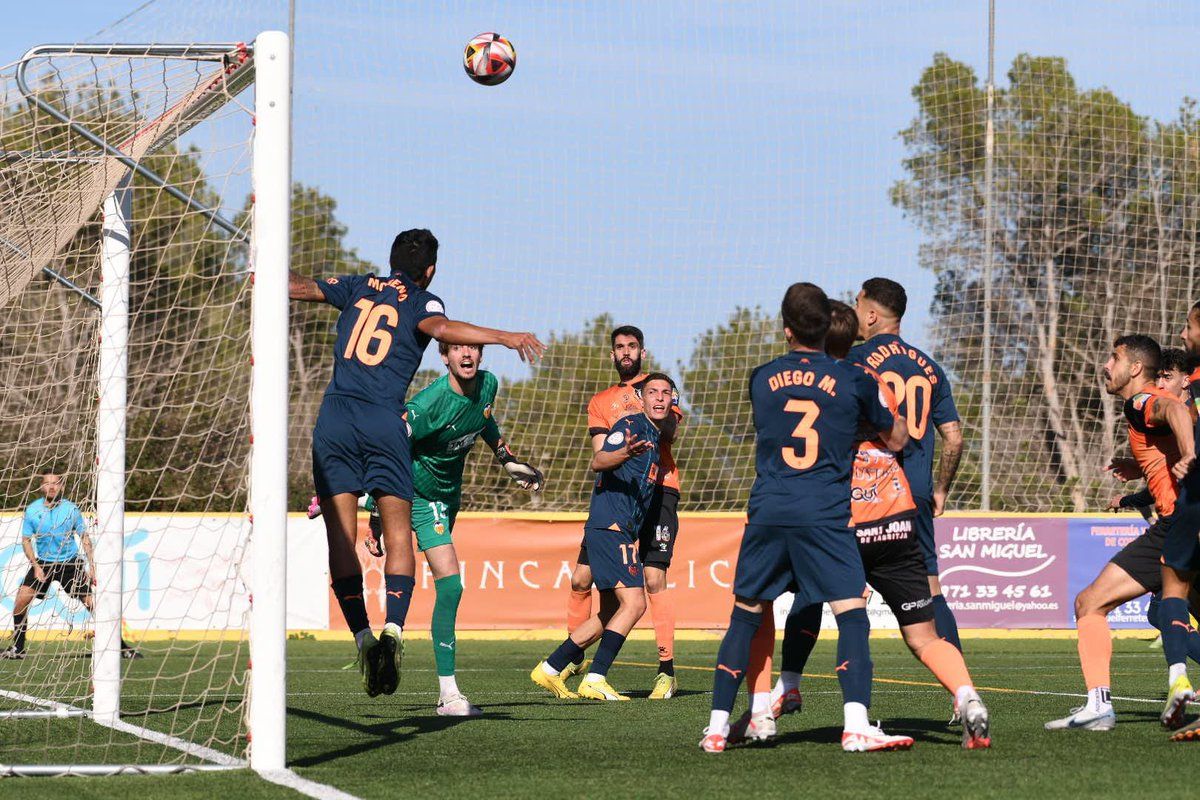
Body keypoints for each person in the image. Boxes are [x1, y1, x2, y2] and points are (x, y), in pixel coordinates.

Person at [288, 228, 544, 697]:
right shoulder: (424, 301)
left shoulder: (358, 285)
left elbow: (296, 286)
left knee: (341, 540)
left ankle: (363, 638)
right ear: (430, 270)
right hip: (384, 422)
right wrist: (504, 337)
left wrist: (257, 262)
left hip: (335, 421)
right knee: (398, 533)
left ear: (390, 261)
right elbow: (442, 330)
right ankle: (394, 632)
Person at [730, 302, 990, 750]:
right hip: (897, 510)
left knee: (801, 599)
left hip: (840, 517)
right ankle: (967, 696)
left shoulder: (823, 380)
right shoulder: (874, 379)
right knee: (923, 632)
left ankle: (796, 696)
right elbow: (904, 436)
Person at [700, 283, 911, 754]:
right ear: (830, 327)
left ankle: (716, 728)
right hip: (824, 513)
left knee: (745, 617)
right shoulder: (854, 380)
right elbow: (896, 438)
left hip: (769, 509)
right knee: (851, 614)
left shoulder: (760, 378)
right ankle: (856, 725)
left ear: (787, 329)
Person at [1045, 336, 1195, 731]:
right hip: (1189, 522)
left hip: (1175, 525)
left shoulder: (1141, 400)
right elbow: (1172, 433)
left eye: (1114, 358)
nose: (1106, 365)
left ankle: (1099, 706)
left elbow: (1174, 411)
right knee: (1168, 612)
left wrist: (1189, 453)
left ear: (1135, 368)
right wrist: (1139, 469)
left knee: (1089, 604)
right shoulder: (1151, 407)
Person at [531, 374, 678, 701]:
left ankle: (551, 668)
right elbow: (599, 460)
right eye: (652, 392)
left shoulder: (654, 438)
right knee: (635, 603)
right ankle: (595, 677)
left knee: (611, 611)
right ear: (641, 399)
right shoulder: (631, 426)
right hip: (611, 526)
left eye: (666, 393)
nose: (659, 397)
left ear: (672, 401)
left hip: (618, 528)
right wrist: (623, 452)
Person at [564, 325, 684, 699]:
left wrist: (651, 406)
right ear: (612, 354)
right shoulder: (600, 401)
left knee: (653, 578)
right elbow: (602, 454)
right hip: (617, 498)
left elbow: (670, 432)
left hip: (659, 490)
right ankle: (574, 659)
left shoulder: (658, 389)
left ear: (642, 353)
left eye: (632, 346)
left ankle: (666, 671)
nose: (626, 352)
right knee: (581, 579)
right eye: (620, 347)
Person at [850, 278, 965, 657]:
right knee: (931, 588)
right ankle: (961, 684)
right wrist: (940, 490)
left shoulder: (855, 360)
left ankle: (848, 691)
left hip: (868, 491)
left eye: (857, 304)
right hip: (915, 493)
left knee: (849, 591)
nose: (853, 312)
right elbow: (954, 438)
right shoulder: (930, 367)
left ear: (871, 314)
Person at [1, 470, 139, 660]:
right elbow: (26, 540)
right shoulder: (32, 510)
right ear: (41, 487)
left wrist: (92, 567)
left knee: (92, 604)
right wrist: (35, 565)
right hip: (44, 563)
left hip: (70, 563)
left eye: (56, 483)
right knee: (21, 600)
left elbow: (84, 538)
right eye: (47, 483)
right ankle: (18, 648)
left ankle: (121, 647)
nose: (52, 487)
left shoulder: (71, 509)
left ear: (62, 486)